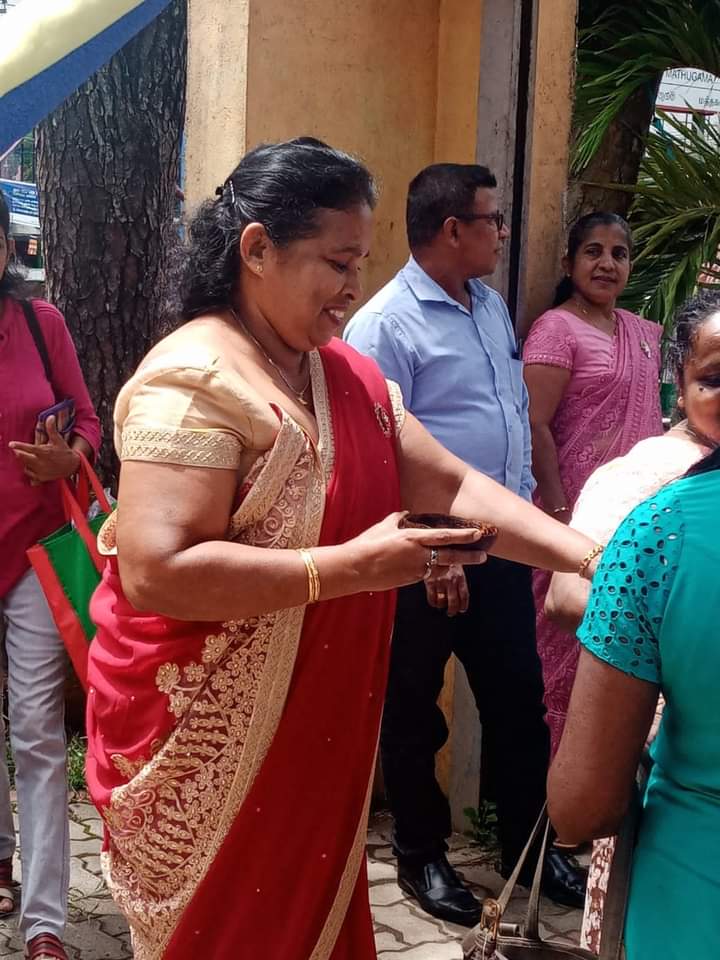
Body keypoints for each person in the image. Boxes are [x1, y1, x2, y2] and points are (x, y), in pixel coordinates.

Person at [84, 140, 598, 960]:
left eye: (362, 260)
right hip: (205, 746)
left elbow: (451, 484)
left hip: (310, 741)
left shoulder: (343, 374)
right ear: (257, 250)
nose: (355, 286)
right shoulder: (193, 382)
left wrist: (587, 557)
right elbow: (155, 571)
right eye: (336, 262)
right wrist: (348, 569)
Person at [344, 162, 587, 928]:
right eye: (494, 220)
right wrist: (437, 554)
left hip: (500, 553)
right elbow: (382, 458)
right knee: (415, 711)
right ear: (453, 229)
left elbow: (504, 420)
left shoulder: (486, 306)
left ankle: (529, 847)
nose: (503, 234)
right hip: (420, 562)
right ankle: (420, 856)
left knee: (520, 704)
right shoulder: (384, 325)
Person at [543, 288, 720, 953]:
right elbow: (565, 595)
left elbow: (581, 803)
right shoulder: (640, 481)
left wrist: (653, 634)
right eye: (714, 379)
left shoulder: (671, 524)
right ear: (677, 382)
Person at [0, 190, 101, 960]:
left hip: (38, 550)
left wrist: (72, 457)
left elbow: (89, 424)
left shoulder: (43, 325)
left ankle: (43, 922)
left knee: (37, 732)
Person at [523, 212, 663, 754]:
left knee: (627, 655)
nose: (607, 263)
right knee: (566, 656)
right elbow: (534, 423)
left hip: (637, 520)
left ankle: (611, 809)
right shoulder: (556, 329)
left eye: (619, 253)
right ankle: (563, 812)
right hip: (572, 520)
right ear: (569, 263)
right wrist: (560, 518)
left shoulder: (643, 333)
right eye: (593, 252)